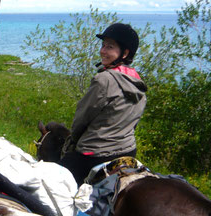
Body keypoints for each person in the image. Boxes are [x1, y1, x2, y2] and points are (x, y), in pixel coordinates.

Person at [57, 23, 148, 186]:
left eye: (110, 47)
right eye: (103, 45)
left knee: (53, 185)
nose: (102, 51)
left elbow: (82, 118)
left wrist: (72, 143)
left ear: (125, 53)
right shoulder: (138, 83)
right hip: (128, 152)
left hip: (95, 154)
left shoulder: (104, 79)